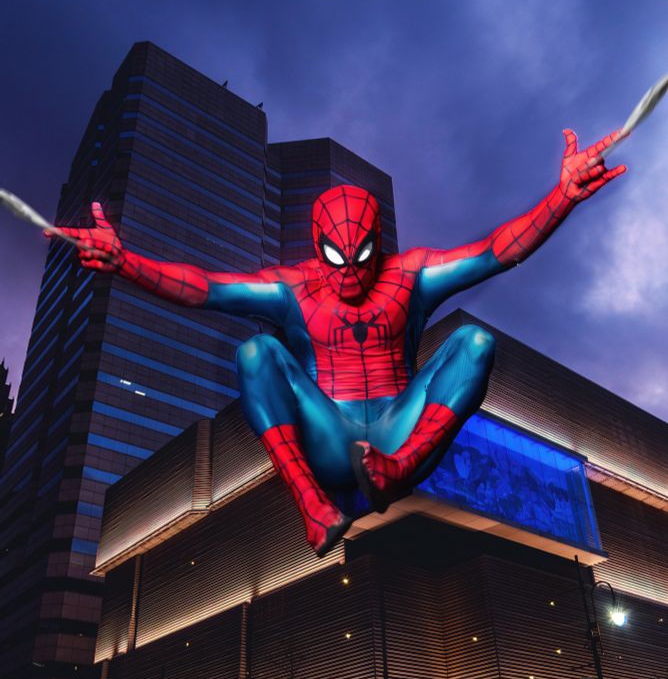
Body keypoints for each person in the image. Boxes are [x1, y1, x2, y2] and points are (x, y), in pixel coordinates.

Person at [48, 127, 625, 556]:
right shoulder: (291, 287)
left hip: (401, 420)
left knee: (474, 343)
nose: (349, 270)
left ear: (379, 242)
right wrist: (126, 263)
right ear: (314, 243)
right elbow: (204, 287)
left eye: (362, 255)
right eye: (335, 256)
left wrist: (563, 197)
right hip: (330, 430)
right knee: (254, 353)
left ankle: (399, 468)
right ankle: (312, 503)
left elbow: (499, 250)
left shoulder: (412, 274)